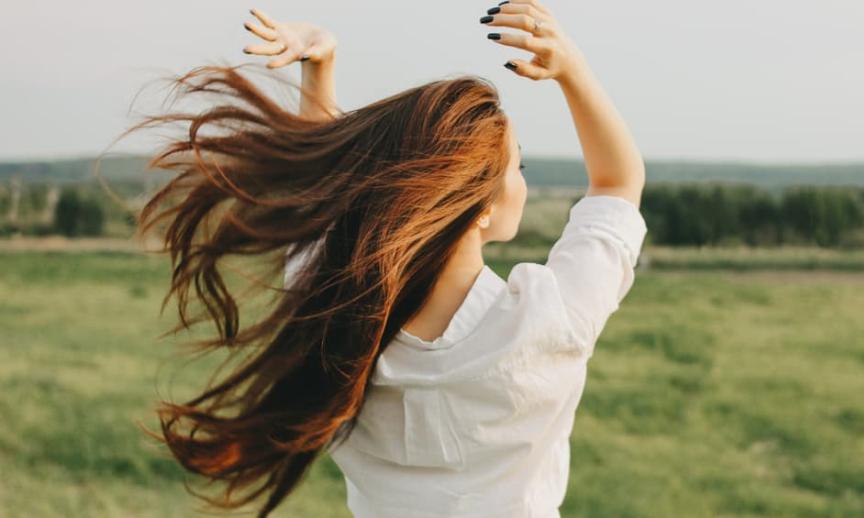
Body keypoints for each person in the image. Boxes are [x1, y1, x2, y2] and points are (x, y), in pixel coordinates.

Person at [122, 1, 646, 516]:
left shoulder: (332, 314)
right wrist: (571, 68)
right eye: (519, 167)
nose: (523, 182)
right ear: (481, 204)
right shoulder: (549, 319)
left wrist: (319, 69)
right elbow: (618, 182)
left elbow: (325, 196)